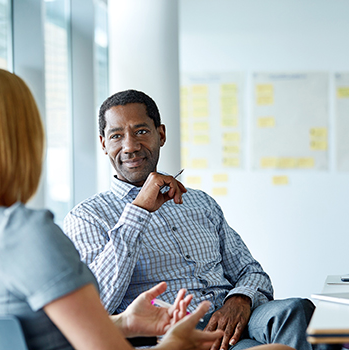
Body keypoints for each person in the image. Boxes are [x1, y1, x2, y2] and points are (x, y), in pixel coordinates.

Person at [0, 65, 227, 350]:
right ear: (19, 138)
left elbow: (40, 334)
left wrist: (123, 322)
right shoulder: (26, 233)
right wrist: (176, 343)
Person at [63, 89, 316, 350]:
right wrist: (138, 211)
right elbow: (97, 303)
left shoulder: (200, 202)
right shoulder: (87, 217)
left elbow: (250, 271)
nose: (130, 146)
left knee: (295, 310)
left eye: (141, 132)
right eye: (117, 136)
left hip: (238, 317)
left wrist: (240, 299)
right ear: (104, 144)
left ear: (160, 134)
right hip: (178, 336)